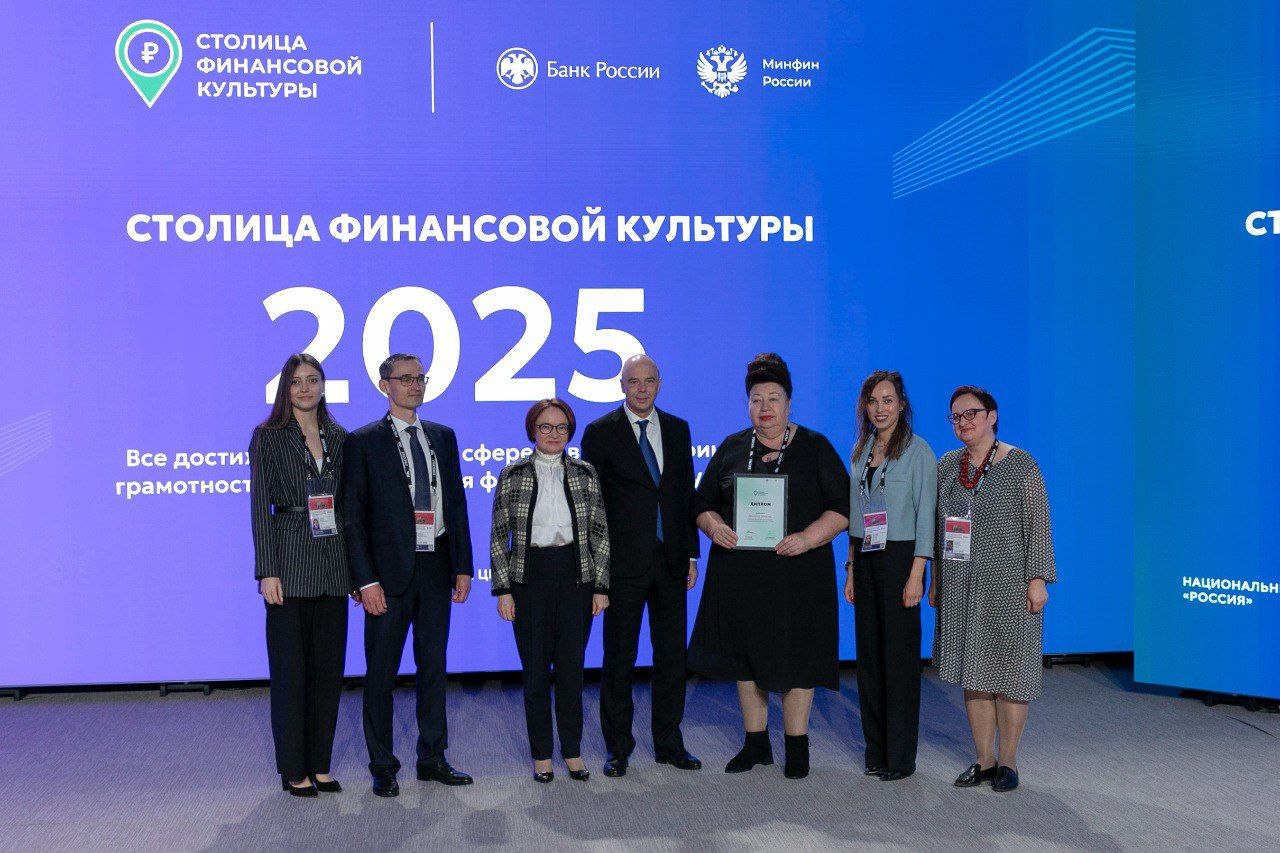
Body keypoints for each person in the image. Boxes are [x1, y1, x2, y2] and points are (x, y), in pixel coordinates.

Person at [688, 353, 850, 779]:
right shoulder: (732, 446)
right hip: (741, 575)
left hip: (799, 574)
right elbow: (702, 504)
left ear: (789, 403)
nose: (765, 407)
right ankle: (756, 743)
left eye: (773, 398)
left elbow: (842, 508)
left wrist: (808, 537)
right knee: (746, 659)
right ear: (748, 405)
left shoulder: (815, 446)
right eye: (756, 399)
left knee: (798, 658)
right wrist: (714, 527)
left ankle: (797, 746)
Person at [341, 353, 474, 798]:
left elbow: (456, 504)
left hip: (436, 565)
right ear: (385, 385)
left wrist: (462, 565)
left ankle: (432, 757)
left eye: (420, 378)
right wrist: (365, 581)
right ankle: (383, 765)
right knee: (381, 673)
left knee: (433, 667)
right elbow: (353, 517)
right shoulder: (363, 441)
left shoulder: (443, 436)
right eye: (405, 378)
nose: (415, 385)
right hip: (387, 575)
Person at [581, 354, 702, 778]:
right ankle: (618, 748)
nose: (642, 388)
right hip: (622, 565)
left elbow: (685, 495)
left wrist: (691, 553)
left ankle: (669, 743)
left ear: (660, 384)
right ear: (622, 385)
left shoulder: (678, 428)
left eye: (649, 380)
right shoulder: (600, 432)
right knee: (620, 658)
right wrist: (597, 568)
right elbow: (593, 506)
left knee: (672, 657)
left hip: (671, 561)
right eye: (634, 381)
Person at [931, 385, 1056, 793]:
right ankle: (984, 760)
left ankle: (1009, 762)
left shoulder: (1021, 464)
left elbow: (1038, 523)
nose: (963, 422)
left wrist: (1038, 579)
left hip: (1010, 584)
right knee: (975, 673)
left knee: (1011, 674)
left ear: (992, 416)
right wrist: (936, 579)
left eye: (971, 413)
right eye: (956, 416)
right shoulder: (947, 466)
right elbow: (938, 528)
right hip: (961, 584)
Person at [490, 399, 610, 783]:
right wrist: (503, 590)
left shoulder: (586, 473)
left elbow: (599, 533)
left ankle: (572, 752)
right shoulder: (512, 474)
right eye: (545, 426)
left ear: (570, 431)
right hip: (529, 578)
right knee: (536, 672)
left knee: (572, 671)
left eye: (561, 427)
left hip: (577, 578)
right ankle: (542, 755)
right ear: (533, 431)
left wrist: (601, 586)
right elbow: (499, 536)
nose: (554, 434)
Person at [249, 353, 350, 797]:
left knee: (328, 674)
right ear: (285, 389)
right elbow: (259, 508)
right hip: (288, 565)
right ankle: (294, 768)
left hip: (333, 566)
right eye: (296, 382)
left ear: (323, 386)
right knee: (291, 675)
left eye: (312, 380)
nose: (305, 388)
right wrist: (267, 570)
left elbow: (349, 506)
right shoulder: (268, 436)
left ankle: (320, 764)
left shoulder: (340, 437)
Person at [844, 370, 937, 781]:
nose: (879, 408)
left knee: (898, 661)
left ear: (901, 404)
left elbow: (926, 518)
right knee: (869, 657)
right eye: (873, 401)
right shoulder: (861, 450)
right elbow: (855, 516)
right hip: (866, 556)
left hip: (902, 559)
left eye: (887, 400)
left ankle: (900, 758)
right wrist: (850, 569)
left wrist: (918, 574)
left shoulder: (918, 451)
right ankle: (876, 752)